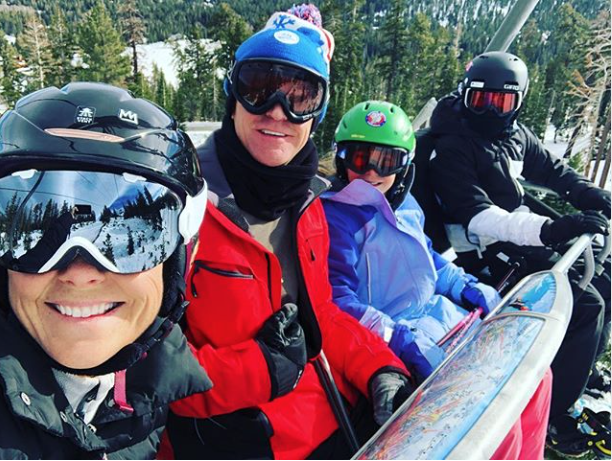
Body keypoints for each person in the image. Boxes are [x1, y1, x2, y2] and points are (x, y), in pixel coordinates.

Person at [163, 5, 413, 460]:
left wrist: (379, 367)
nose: (277, 112)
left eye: (301, 97)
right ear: (233, 97)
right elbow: (143, 369)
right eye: (258, 89)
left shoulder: (308, 204)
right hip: (234, 438)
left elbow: (322, 317)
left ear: (318, 113)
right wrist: (258, 369)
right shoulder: (182, 206)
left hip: (328, 417)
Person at [322, 100, 552, 460]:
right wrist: (395, 336)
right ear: (341, 159)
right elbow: (338, 299)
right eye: (359, 158)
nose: (371, 172)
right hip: (399, 334)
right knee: (492, 422)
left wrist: (464, 285)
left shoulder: (405, 204)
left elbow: (428, 258)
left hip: (445, 319)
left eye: (387, 161)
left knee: (536, 377)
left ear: (405, 165)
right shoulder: (337, 218)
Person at [0, 82, 213, 458]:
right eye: (35, 230)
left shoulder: (145, 394)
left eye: (131, 235)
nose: (80, 273)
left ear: (174, 262)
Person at [427, 51, 611, 458]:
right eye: (481, 100)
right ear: (465, 95)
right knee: (584, 303)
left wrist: (587, 194)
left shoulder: (513, 135)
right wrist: (550, 230)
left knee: (607, 278)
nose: (491, 111)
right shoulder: (453, 144)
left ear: (519, 102)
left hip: (517, 237)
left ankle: (577, 371)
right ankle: (552, 415)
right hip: (482, 253)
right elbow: (479, 216)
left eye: (502, 102)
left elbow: (552, 170)